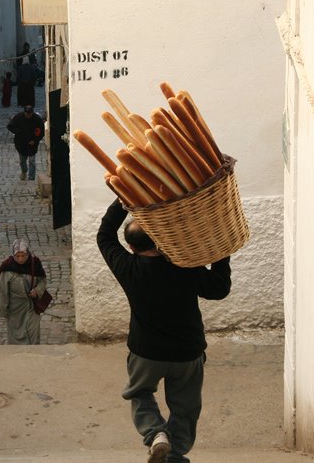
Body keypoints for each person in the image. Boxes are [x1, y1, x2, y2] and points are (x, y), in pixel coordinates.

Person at [96, 198, 232, 463]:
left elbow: (104, 235)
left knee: (139, 393)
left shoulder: (127, 267)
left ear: (132, 247)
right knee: (185, 408)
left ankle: (156, 434)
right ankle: (176, 456)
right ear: (159, 240)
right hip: (187, 352)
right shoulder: (184, 265)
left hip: (146, 353)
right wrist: (221, 252)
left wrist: (124, 200)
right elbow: (219, 289)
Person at [0, 238, 48, 345]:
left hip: (31, 308)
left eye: (23, 255)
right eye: (17, 256)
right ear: (13, 255)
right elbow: (3, 291)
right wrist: (4, 311)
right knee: (16, 338)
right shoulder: (7, 268)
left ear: (27, 254)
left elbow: (42, 280)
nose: (20, 259)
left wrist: (37, 291)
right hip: (15, 310)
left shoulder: (35, 264)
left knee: (33, 335)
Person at [7, 104, 45, 181]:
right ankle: (24, 171)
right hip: (21, 143)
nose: (28, 115)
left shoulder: (37, 119)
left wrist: (34, 140)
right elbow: (10, 126)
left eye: (30, 114)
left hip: (32, 144)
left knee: (32, 161)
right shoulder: (18, 117)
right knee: (22, 161)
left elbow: (41, 132)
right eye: (27, 113)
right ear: (24, 112)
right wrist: (18, 132)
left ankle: (31, 177)